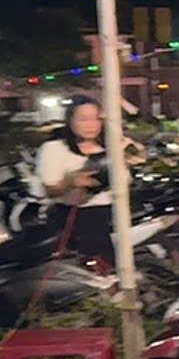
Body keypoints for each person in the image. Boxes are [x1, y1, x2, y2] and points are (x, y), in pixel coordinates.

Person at [34, 94, 131, 270]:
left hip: (111, 216)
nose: (91, 125)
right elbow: (51, 190)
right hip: (77, 219)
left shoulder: (109, 149)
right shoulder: (54, 149)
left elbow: (125, 181)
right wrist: (71, 182)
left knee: (116, 268)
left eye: (96, 119)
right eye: (83, 119)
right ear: (70, 121)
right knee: (94, 271)